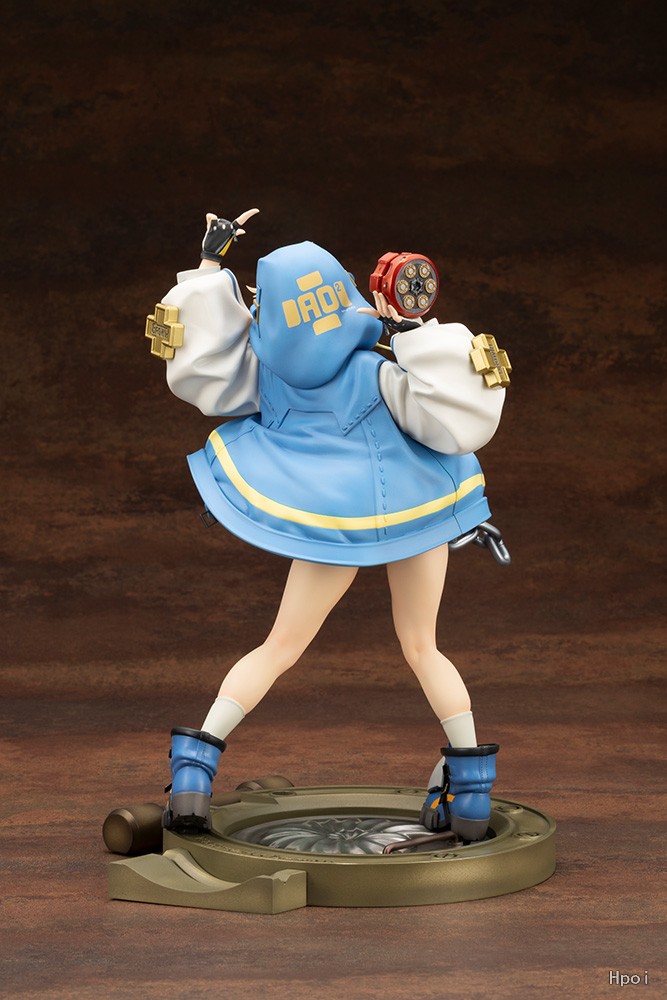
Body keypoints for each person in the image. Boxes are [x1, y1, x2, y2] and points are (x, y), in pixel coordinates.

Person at [153, 208, 508, 841]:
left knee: (280, 647)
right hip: (414, 514)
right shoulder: (375, 369)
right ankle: (472, 795)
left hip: (329, 521)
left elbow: (203, 361)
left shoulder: (266, 375)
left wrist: (209, 264)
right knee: (422, 648)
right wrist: (411, 329)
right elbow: (448, 419)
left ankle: (192, 775)